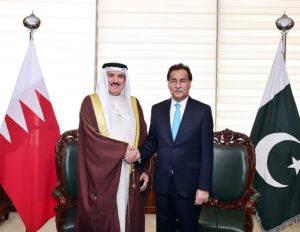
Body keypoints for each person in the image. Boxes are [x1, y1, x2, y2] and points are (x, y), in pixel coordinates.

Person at [125, 63, 214, 232]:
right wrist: (138, 154)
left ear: (189, 83)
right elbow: (153, 141)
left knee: (189, 227)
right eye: (173, 80)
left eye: (183, 80)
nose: (178, 85)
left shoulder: (202, 111)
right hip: (163, 182)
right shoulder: (158, 109)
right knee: (164, 227)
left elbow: (207, 154)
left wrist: (204, 187)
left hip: (190, 184)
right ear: (168, 83)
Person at [75, 62, 151, 232]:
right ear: (104, 77)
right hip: (102, 174)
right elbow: (91, 139)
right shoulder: (90, 103)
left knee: (130, 214)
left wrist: (145, 168)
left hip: (131, 170)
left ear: (125, 79)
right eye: (111, 75)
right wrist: (122, 150)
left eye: (120, 76)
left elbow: (144, 137)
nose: (116, 80)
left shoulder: (134, 103)